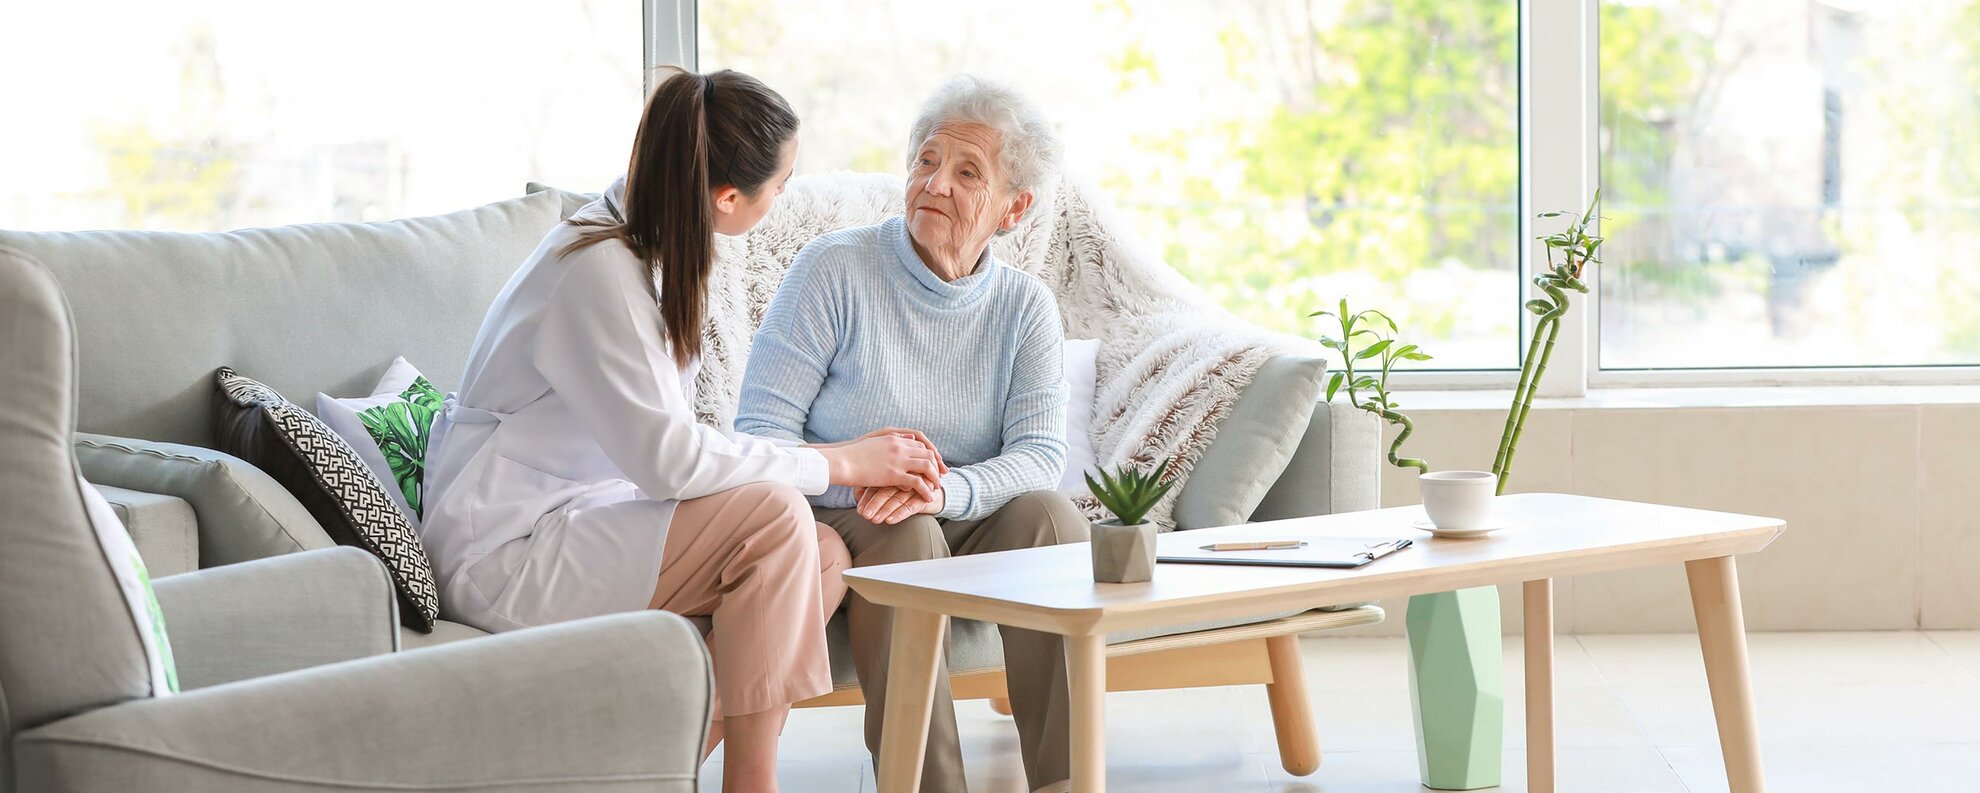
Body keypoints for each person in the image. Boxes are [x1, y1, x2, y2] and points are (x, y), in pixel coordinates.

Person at [421, 67, 945, 793]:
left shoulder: (648, 241)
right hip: (505, 551)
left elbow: (662, 451)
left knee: (821, 555)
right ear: (728, 198)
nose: (784, 195)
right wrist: (840, 462)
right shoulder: (597, 273)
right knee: (775, 518)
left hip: (576, 518)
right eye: (780, 183)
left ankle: (635, 771)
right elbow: (668, 462)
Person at [736, 74, 1087, 793]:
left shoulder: (1024, 308)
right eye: (927, 162)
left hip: (956, 508)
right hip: (848, 507)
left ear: (1014, 208)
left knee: (1052, 519)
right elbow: (761, 436)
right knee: (903, 536)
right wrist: (866, 475)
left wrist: (944, 490)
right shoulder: (835, 269)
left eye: (967, 173)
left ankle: (1069, 781)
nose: (935, 184)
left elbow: (1040, 455)